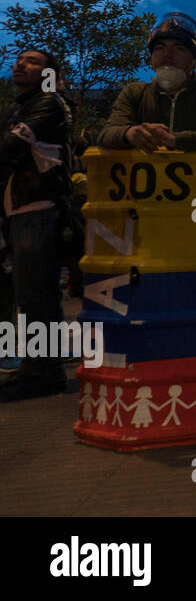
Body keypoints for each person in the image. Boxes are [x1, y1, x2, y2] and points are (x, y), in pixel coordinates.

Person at [97, 13, 196, 390]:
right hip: (151, 217)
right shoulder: (135, 94)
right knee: (164, 287)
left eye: (179, 49)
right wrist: (132, 132)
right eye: (160, 49)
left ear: (195, 58)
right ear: (149, 58)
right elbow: (106, 133)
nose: (168, 56)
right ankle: (165, 361)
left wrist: (178, 141)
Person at [0, 48, 75, 400]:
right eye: (19, 59)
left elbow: (9, 150)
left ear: (50, 74)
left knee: (37, 296)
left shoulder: (50, 103)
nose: (20, 64)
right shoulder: (20, 107)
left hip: (40, 208)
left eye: (32, 61)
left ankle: (44, 373)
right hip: (20, 210)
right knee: (28, 297)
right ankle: (36, 367)